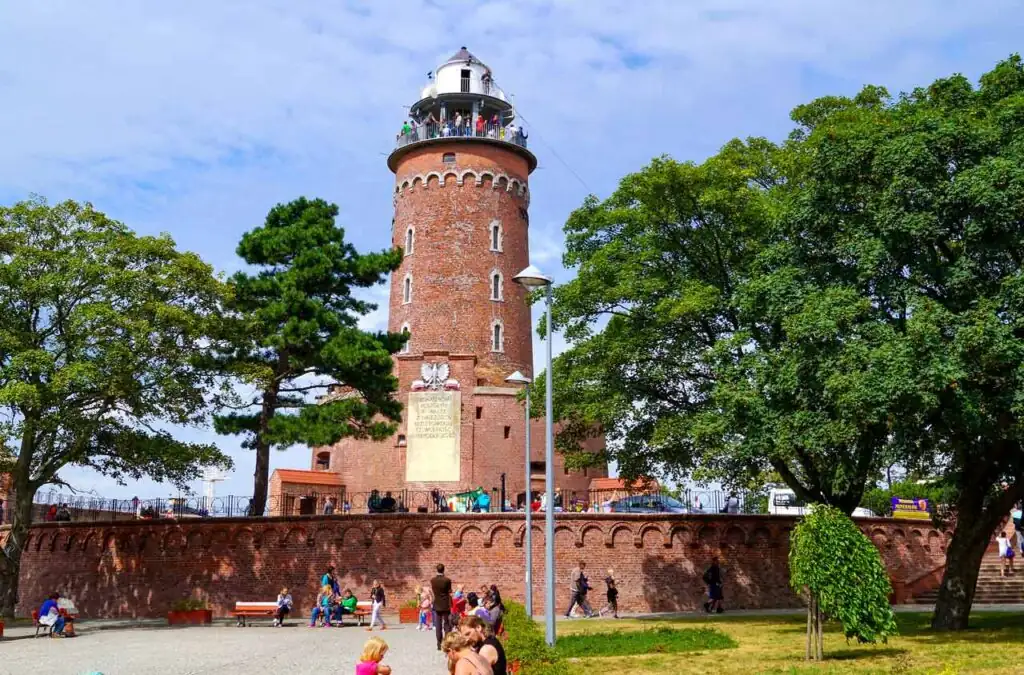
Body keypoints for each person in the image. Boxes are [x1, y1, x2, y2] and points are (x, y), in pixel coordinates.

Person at [431, 562, 454, 650]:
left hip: (437, 604)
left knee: (438, 625)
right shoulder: (447, 580)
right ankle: (447, 644)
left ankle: (439, 644)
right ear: (443, 570)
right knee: (447, 624)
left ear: (437, 570)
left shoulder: (433, 580)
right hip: (445, 604)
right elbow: (450, 591)